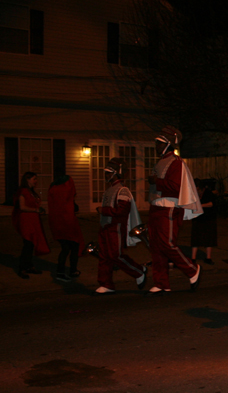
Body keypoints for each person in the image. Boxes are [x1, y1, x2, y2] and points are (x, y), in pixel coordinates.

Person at [146, 126, 203, 296]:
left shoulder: (176, 163)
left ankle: (192, 270)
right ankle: (161, 283)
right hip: (156, 207)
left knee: (167, 244)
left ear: (168, 144)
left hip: (169, 208)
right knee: (156, 247)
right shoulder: (161, 161)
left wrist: (157, 181)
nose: (156, 145)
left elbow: (177, 188)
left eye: (159, 143)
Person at [94, 158, 147, 295]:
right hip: (105, 227)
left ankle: (138, 271)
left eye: (108, 173)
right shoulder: (110, 190)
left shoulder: (123, 190)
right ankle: (106, 283)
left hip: (115, 227)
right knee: (104, 257)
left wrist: (103, 210)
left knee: (116, 255)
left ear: (116, 173)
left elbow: (122, 211)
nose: (105, 175)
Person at [47, 175, 85, 282]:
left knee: (65, 248)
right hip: (67, 224)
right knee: (72, 247)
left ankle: (64, 271)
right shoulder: (66, 193)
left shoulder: (54, 190)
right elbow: (73, 208)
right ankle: (68, 271)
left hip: (57, 224)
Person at [13, 172, 50, 278]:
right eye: (34, 179)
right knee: (28, 244)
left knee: (31, 244)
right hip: (26, 220)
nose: (36, 181)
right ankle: (22, 268)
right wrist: (36, 209)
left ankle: (29, 266)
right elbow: (22, 207)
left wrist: (38, 209)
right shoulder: (23, 192)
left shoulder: (31, 192)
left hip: (33, 220)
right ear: (27, 179)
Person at [191, 180, 218, 264]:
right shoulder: (193, 194)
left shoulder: (208, 193)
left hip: (208, 218)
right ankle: (193, 258)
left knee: (209, 238)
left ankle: (208, 257)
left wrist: (200, 206)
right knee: (195, 238)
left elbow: (211, 204)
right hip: (197, 218)